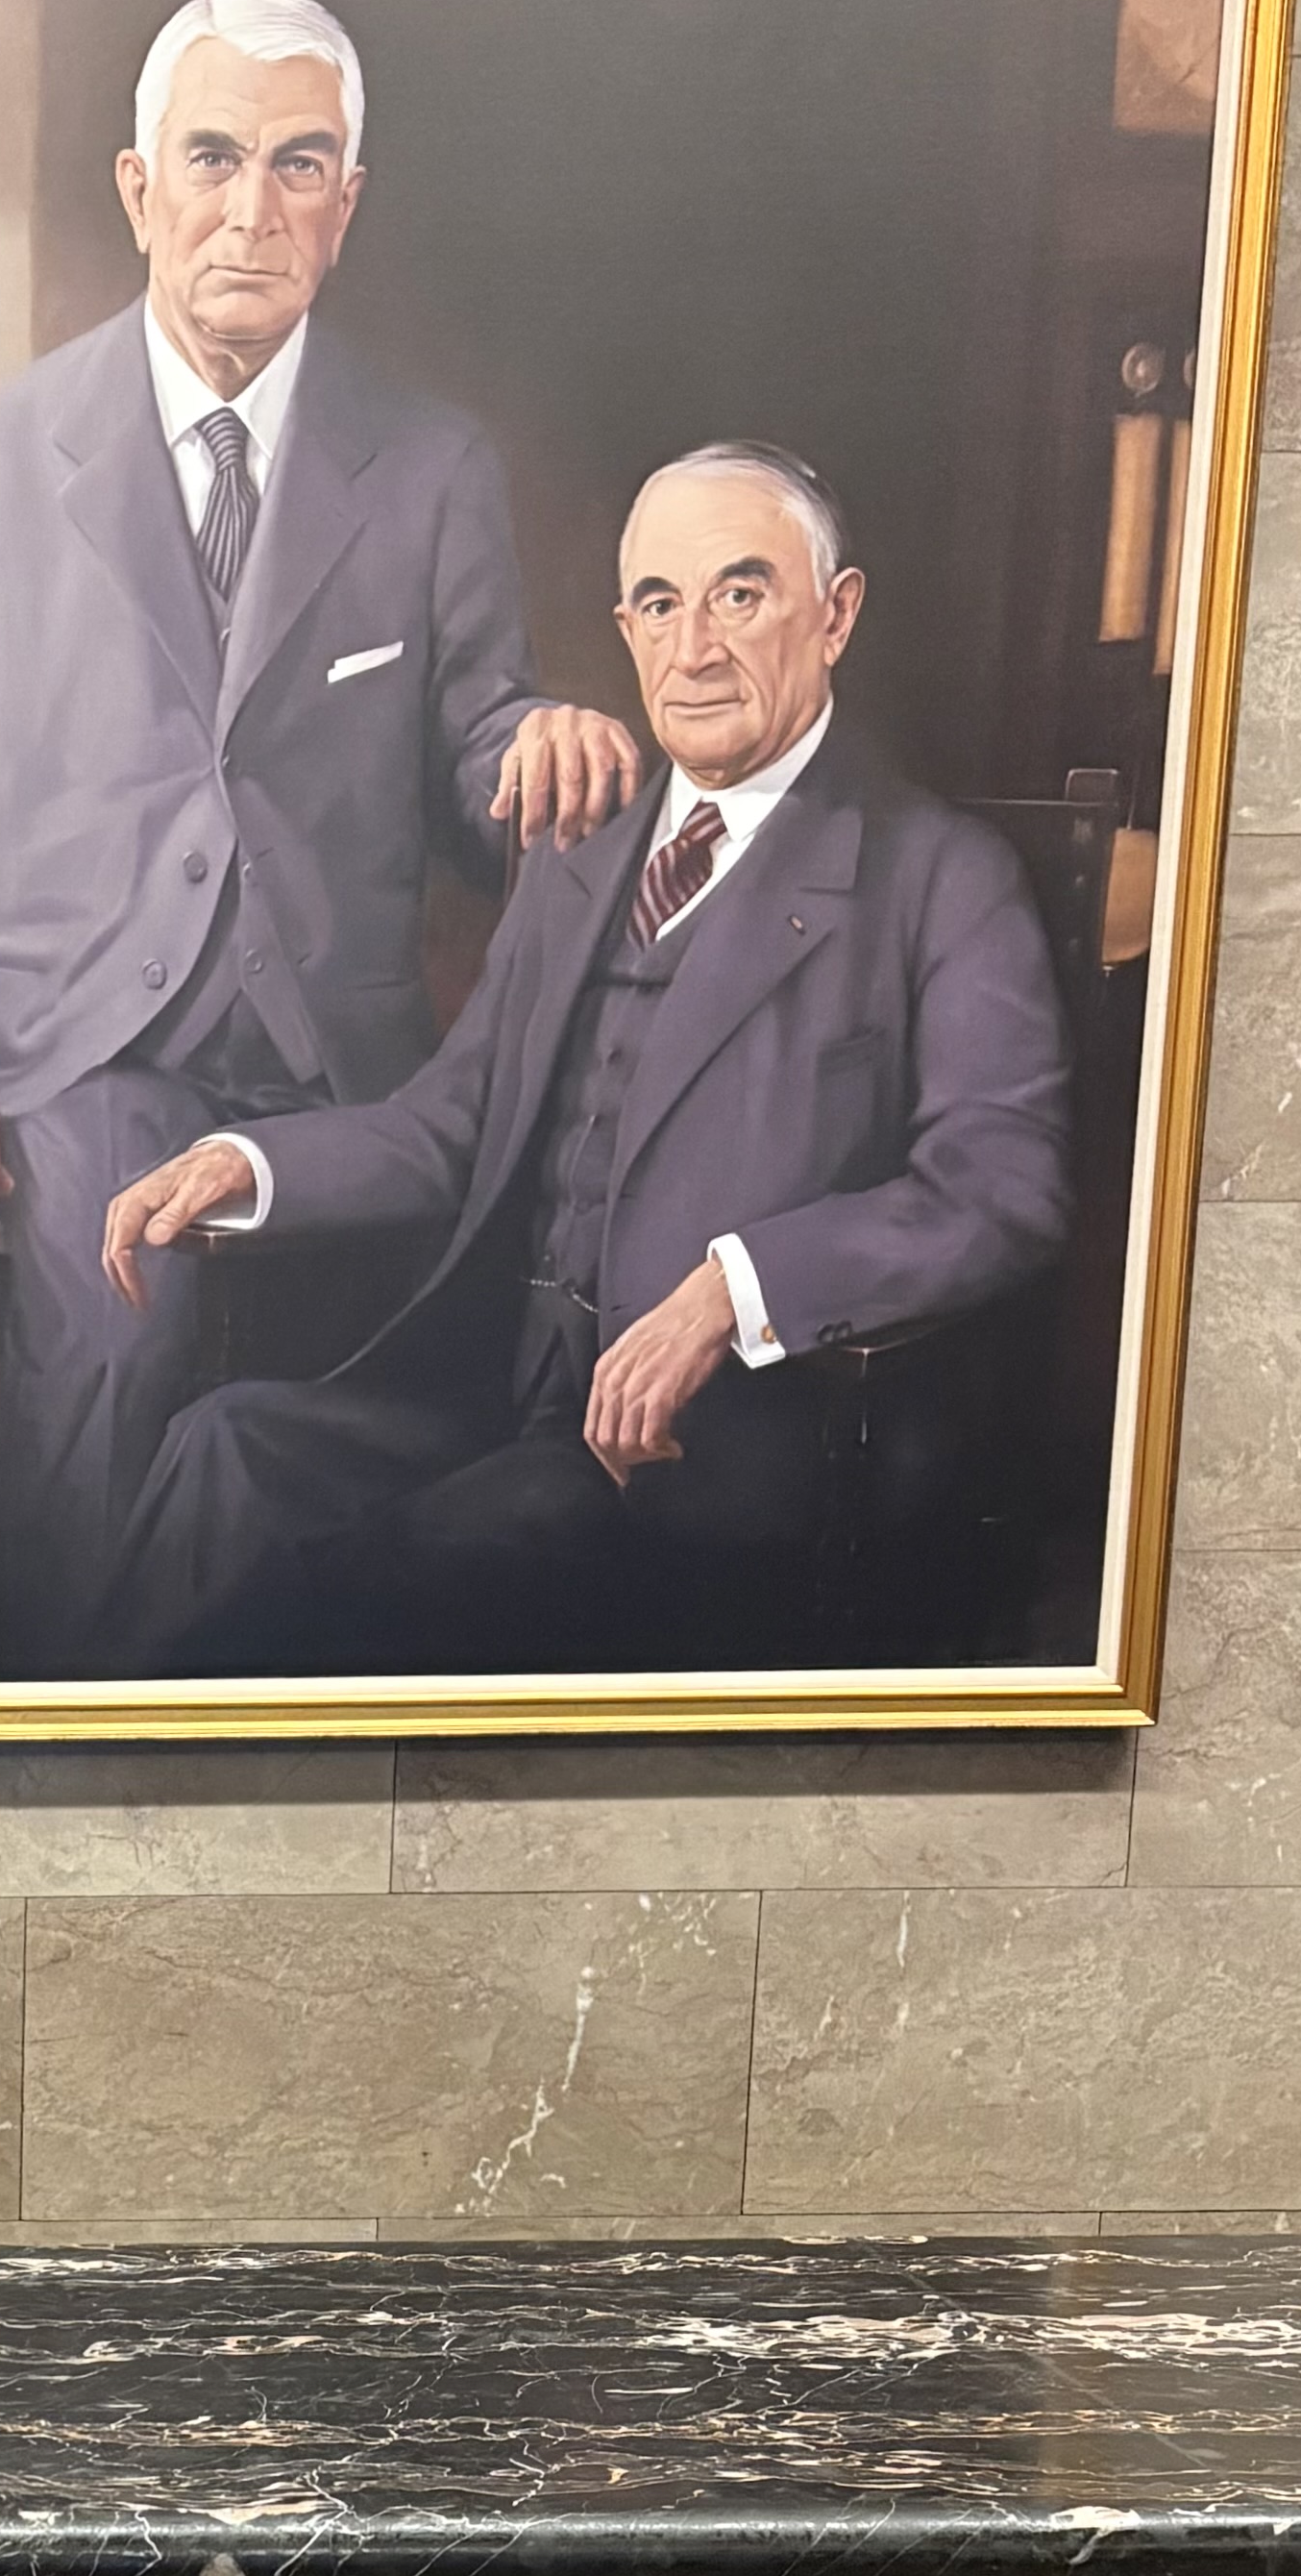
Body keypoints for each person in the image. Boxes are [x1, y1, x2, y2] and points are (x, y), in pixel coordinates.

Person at [0, 0, 639, 1659]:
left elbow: (479, 759)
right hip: (80, 1047)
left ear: (346, 201)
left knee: (459, 1391)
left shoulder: (431, 464)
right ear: (136, 189)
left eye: (298, 163)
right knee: (119, 1336)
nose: (251, 209)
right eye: (212, 159)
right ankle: (72, 1740)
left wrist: (534, 740)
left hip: (346, 1062)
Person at [93, 443, 1074, 1674]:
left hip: (690, 1457)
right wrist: (242, 1165)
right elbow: (451, 1123)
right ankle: (92, 1805)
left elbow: (1000, 1191)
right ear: (622, 627)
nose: (694, 647)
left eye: (740, 592)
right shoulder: (580, 862)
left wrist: (731, 1289)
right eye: (659, 604)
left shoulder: (939, 877)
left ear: (834, 617)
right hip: (492, 1393)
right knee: (225, 1448)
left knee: (380, 1582)